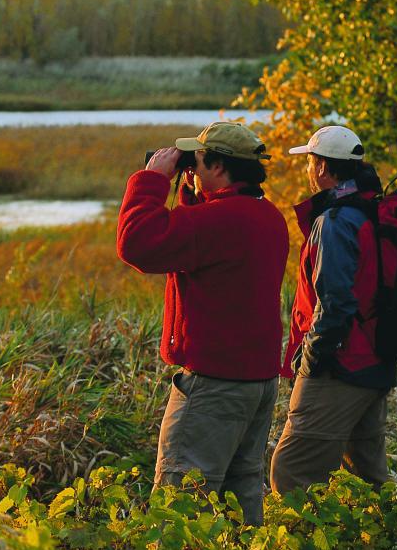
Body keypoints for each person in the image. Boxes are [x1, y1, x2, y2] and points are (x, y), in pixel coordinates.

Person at [117, 120, 289, 525]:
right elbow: (199, 242)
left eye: (195, 162)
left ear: (217, 166)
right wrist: (192, 193)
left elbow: (137, 244)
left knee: (179, 502)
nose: (189, 171)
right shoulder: (266, 216)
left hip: (215, 385)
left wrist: (152, 181)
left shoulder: (221, 222)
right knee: (240, 496)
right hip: (256, 383)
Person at [270, 124, 396, 496]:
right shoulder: (373, 210)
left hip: (340, 365)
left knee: (291, 473)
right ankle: (391, 548)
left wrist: (310, 359)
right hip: (377, 361)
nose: (309, 170)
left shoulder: (336, 221)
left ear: (323, 167)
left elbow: (337, 303)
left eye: (310, 161)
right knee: (367, 479)